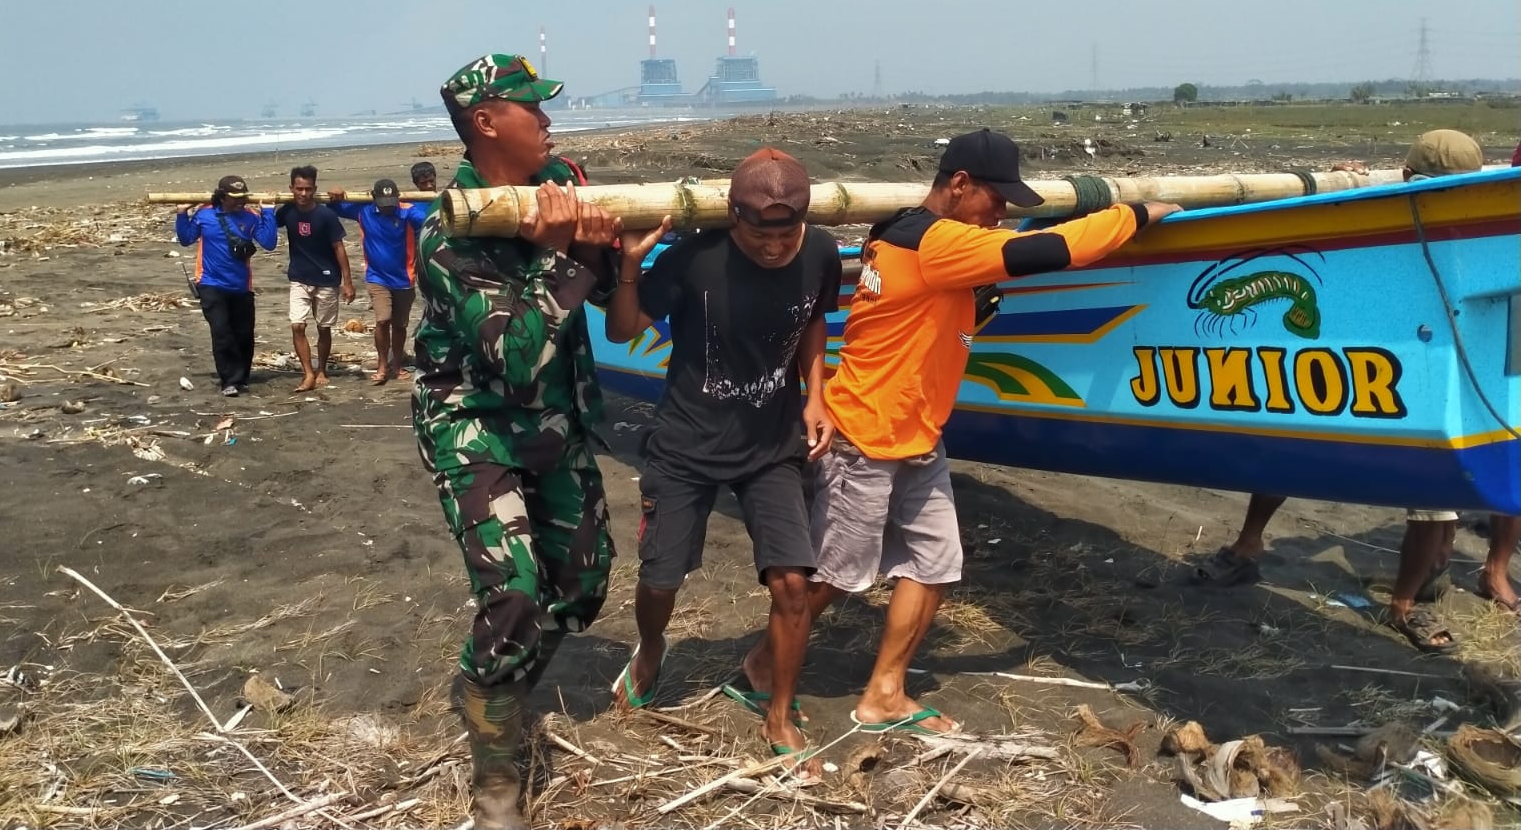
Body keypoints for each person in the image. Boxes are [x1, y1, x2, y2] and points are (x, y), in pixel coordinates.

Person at [767, 130, 1178, 735]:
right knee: (839, 576)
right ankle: (761, 662)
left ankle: (884, 692)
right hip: (867, 434)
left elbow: (1002, 247)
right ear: (959, 185)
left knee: (935, 562)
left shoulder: (899, 228)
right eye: (998, 199)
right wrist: (1139, 213)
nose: (1003, 214)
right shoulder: (937, 245)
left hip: (919, 433)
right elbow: (1054, 249)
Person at [1192, 129, 1515, 646]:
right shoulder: (1484, 224)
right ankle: (1264, 549)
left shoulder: (1394, 218)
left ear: (1407, 175)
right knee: (1315, 442)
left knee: (1328, 443)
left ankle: (1404, 602)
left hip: (1407, 359)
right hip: (1398, 353)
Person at [413, 52, 619, 830]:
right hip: (476, 424)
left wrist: (603, 248)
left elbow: (595, 289)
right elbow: (515, 352)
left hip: (554, 419)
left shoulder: (559, 176)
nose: (549, 121)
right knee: (515, 592)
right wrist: (560, 254)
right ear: (487, 120)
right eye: (534, 108)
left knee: (584, 583)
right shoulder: (449, 237)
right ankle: (497, 773)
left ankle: (492, 689)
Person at [605, 148, 841, 774]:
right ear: (734, 218)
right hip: (685, 448)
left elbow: (815, 317)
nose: (773, 246)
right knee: (662, 579)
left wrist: (817, 395)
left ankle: (779, 714)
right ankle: (651, 649)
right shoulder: (695, 258)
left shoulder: (819, 252)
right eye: (759, 233)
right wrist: (630, 267)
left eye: (786, 233)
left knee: (793, 585)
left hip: (770, 448)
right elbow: (623, 330)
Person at [175, 175, 278, 396]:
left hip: (241, 285)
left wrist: (268, 212)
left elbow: (269, 243)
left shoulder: (250, 217)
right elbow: (186, 239)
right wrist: (182, 213)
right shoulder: (205, 213)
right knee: (221, 332)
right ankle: (229, 381)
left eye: (243, 197)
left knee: (243, 334)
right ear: (222, 196)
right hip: (210, 282)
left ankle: (242, 377)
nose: (240, 202)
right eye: (234, 198)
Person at [327, 178, 427, 383]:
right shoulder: (363, 211)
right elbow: (334, 206)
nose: (388, 209)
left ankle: (397, 366)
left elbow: (431, 221)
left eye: (391, 203)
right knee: (382, 320)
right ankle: (382, 365)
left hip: (404, 278)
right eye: (383, 204)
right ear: (374, 199)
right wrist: (336, 193)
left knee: (399, 326)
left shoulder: (408, 212)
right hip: (376, 277)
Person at [275, 165, 354, 392]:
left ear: (314, 189)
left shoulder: (326, 215)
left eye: (308, 189)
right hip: (299, 277)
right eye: (299, 189)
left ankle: (322, 369)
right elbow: (268, 227)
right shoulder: (286, 212)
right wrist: (267, 205)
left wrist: (347, 282)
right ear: (291, 188)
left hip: (327, 278)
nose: (303, 194)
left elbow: (339, 247)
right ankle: (308, 373)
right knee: (297, 325)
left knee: (324, 328)